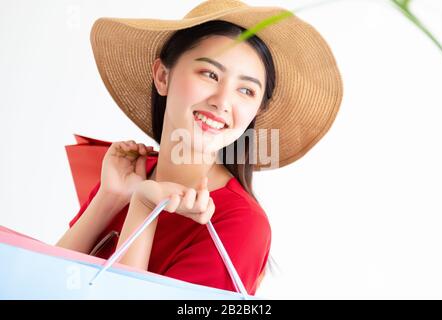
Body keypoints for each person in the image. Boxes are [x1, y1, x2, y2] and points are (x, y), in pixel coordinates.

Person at [56, 0, 343, 295]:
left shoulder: (240, 224)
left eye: (246, 90)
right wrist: (108, 199)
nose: (222, 100)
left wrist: (143, 209)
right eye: (210, 74)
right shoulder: (127, 180)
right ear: (163, 76)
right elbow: (39, 284)